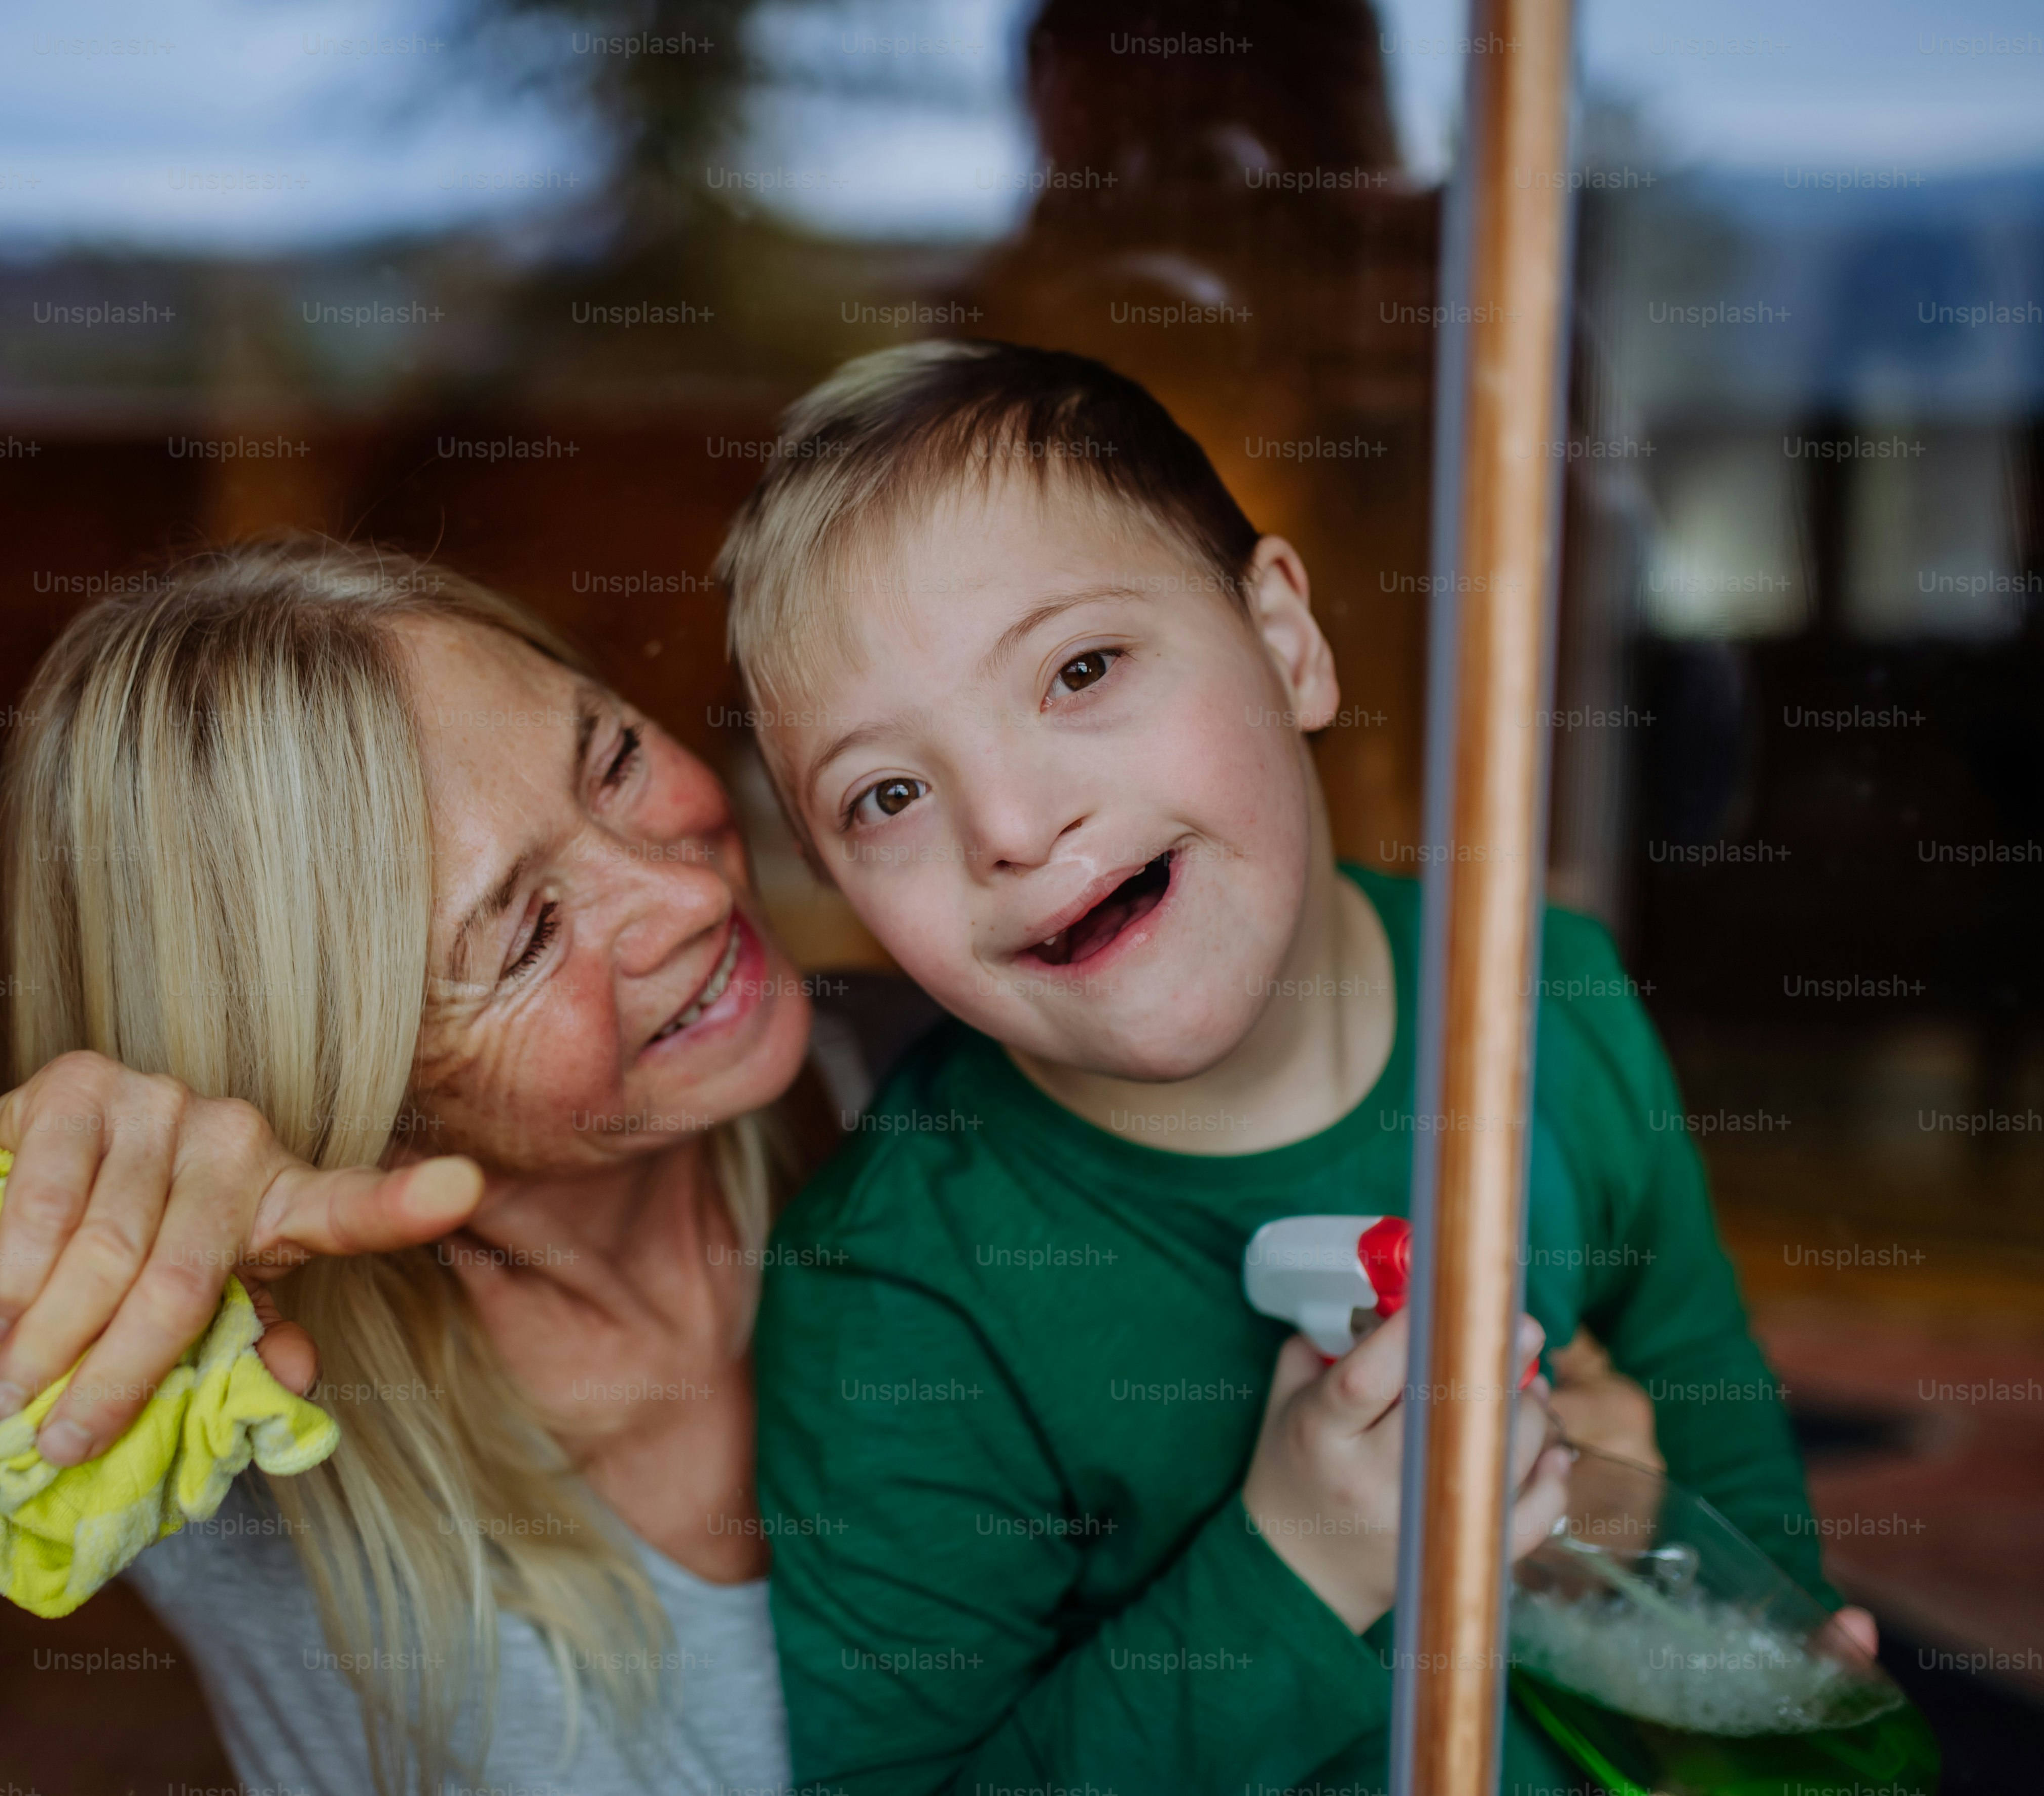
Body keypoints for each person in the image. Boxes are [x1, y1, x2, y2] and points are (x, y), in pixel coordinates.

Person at [716, 339, 1871, 1793]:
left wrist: (1737, 1635)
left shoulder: (1543, 993)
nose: (1009, 822)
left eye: (1080, 667)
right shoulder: (894, 1296)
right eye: (887, 792)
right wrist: (1303, 1559)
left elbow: (1699, 1380)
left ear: (1286, 640)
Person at [0, 540, 857, 1796]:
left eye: (612, 758)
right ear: (363, 1099)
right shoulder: (210, 1375)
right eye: (529, 935)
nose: (679, 894)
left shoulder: (931, 1093)